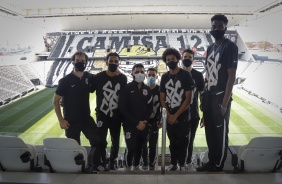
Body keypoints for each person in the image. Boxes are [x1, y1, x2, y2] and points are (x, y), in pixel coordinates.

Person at [196, 14, 238, 172]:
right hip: (209, 96)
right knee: (210, 132)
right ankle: (211, 161)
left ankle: (218, 164)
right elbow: (208, 74)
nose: (216, 29)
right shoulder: (210, 48)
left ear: (225, 27)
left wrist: (224, 104)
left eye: (220, 26)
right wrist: (204, 99)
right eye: (214, 26)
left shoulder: (230, 46)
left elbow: (231, 76)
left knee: (220, 133)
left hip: (220, 96)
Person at [53, 51, 100, 172]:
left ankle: (92, 164)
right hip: (70, 121)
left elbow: (100, 80)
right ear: (73, 62)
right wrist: (61, 120)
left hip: (86, 118)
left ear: (86, 63)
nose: (80, 63)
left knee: (98, 141)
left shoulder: (89, 77)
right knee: (74, 148)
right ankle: (77, 169)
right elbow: (55, 101)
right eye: (78, 61)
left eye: (82, 61)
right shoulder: (65, 81)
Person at [90, 52, 127, 171]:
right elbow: (86, 89)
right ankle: (101, 162)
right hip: (102, 115)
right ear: (106, 62)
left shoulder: (122, 78)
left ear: (119, 63)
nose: (113, 63)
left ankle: (112, 162)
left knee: (115, 141)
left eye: (116, 61)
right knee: (101, 140)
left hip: (116, 116)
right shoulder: (98, 77)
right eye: (111, 61)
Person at [160, 48, 195, 171]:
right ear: (165, 61)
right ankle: (173, 163)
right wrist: (169, 115)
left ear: (178, 59)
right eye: (168, 60)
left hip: (183, 115)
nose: (170, 61)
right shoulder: (164, 77)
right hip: (169, 115)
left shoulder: (186, 75)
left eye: (173, 59)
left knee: (183, 141)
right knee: (172, 141)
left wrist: (176, 115)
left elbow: (188, 99)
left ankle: (182, 164)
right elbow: (162, 99)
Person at [119, 63, 153, 171]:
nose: (140, 74)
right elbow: (123, 108)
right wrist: (136, 122)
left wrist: (144, 121)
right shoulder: (126, 88)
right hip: (130, 124)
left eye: (142, 72)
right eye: (137, 72)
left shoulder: (148, 89)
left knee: (140, 147)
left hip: (143, 124)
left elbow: (150, 108)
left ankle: (137, 165)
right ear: (132, 73)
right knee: (131, 147)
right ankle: (128, 164)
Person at [181, 49, 205, 170]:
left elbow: (202, 95)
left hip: (193, 114)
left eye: (190, 57)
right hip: (178, 114)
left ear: (193, 59)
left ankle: (188, 162)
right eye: (185, 56)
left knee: (190, 140)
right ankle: (177, 163)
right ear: (182, 57)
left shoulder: (198, 75)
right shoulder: (177, 74)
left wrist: (204, 113)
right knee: (177, 140)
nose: (187, 59)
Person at [141, 67, 161, 171]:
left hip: (155, 121)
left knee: (153, 145)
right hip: (143, 122)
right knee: (143, 144)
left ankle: (152, 163)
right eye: (149, 75)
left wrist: (161, 119)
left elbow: (163, 106)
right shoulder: (142, 89)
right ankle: (144, 162)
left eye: (153, 75)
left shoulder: (160, 89)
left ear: (157, 76)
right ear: (146, 76)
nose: (151, 77)